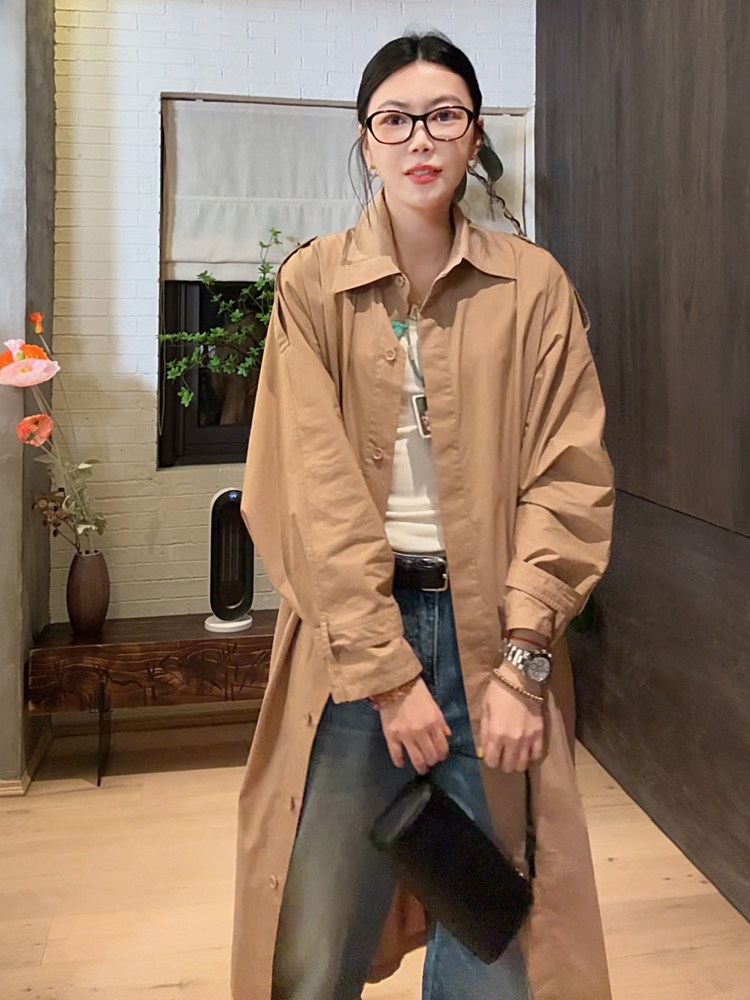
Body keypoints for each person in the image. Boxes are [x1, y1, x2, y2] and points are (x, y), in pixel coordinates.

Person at [232, 32, 615, 1000]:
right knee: (312, 937)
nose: (420, 139)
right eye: (395, 119)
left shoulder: (534, 286)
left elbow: (568, 476)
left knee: (494, 934)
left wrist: (524, 662)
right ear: (366, 141)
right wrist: (387, 672)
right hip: (351, 638)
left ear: (474, 136)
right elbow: (307, 492)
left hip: (495, 630)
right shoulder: (313, 286)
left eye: (444, 116)